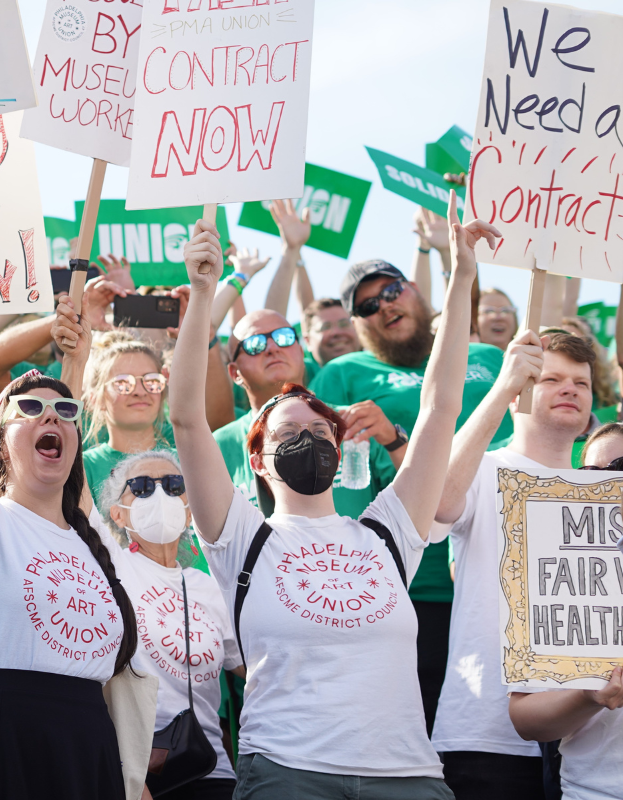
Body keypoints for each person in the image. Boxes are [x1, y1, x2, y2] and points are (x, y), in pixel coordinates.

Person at [170, 196, 496, 797]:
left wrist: (463, 277)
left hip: (408, 778)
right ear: (257, 459)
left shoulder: (388, 531)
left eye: (320, 430)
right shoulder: (242, 536)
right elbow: (187, 416)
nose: (310, 439)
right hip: (289, 775)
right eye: (290, 433)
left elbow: (440, 406)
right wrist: (204, 294)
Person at [0, 195, 150, 799]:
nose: (53, 416)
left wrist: (81, 350)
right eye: (30, 408)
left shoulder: (93, 541)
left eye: (65, 411)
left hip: (84, 745)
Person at [312, 256, 513, 734]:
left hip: (503, 576)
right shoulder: (343, 375)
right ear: (358, 324)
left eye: (392, 290)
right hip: (413, 593)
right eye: (366, 306)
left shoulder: (485, 357)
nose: (384, 306)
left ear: (417, 290)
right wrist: (390, 441)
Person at [430, 328, 585, 799]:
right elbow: (435, 504)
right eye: (551, 378)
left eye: (581, 382)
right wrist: (502, 387)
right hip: (483, 731)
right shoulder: (484, 467)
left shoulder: (601, 492)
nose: (569, 389)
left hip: (581, 738)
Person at [98, 450, 242, 800]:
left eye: (175, 485)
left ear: (190, 509)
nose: (161, 494)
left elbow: (254, 669)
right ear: (117, 514)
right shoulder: (110, 567)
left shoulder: (208, 586)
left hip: (211, 767)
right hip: (135, 770)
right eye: (142, 487)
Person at [506, 424, 623, 800]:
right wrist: (587, 696)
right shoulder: (551, 573)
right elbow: (525, 720)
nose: (605, 483)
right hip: (594, 791)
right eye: (590, 474)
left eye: (620, 466)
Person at [213, 309, 401, 519]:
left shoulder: (355, 422)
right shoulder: (217, 447)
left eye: (284, 337)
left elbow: (424, 506)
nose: (273, 348)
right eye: (254, 344)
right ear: (234, 373)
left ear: (302, 352)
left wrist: (394, 441)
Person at [78, 333, 169, 496]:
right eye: (123, 383)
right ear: (95, 399)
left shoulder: (184, 462)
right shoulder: (83, 467)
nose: (140, 392)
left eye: (151, 381)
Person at [302, 298, 361, 367]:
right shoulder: (305, 374)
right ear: (308, 341)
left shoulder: (376, 364)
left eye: (344, 324)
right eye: (325, 327)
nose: (336, 332)